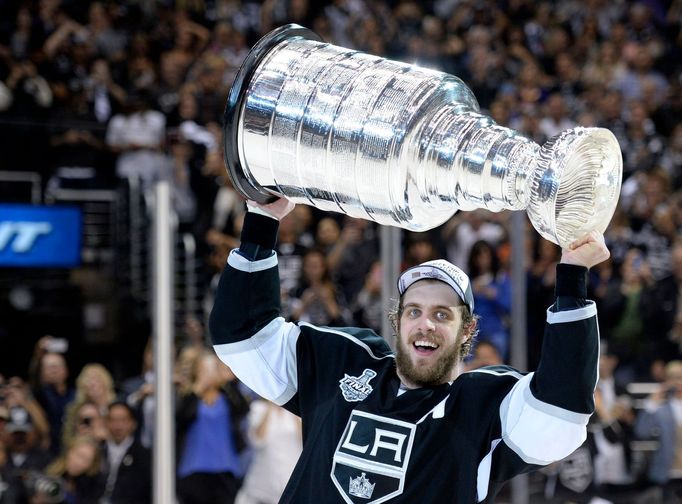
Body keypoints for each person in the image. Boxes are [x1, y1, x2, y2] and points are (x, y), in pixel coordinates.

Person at [209, 198, 608, 503]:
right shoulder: (343, 364)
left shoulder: (483, 405)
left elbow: (560, 414)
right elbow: (244, 337)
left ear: (467, 330)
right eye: (414, 311)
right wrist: (263, 219)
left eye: (442, 314)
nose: (426, 324)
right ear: (398, 321)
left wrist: (572, 276)